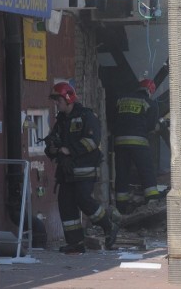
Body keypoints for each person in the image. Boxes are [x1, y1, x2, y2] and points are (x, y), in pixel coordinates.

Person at [44, 82, 118, 254]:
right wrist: (52, 149)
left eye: (58, 99)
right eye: (55, 100)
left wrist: (69, 149)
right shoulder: (61, 121)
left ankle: (109, 225)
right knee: (66, 204)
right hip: (66, 172)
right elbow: (54, 141)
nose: (56, 103)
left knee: (83, 200)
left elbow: (93, 141)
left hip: (84, 170)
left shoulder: (86, 116)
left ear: (68, 98)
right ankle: (75, 242)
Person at [113, 78, 162, 214]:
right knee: (146, 170)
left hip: (120, 142)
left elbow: (114, 118)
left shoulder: (121, 100)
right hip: (138, 142)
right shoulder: (149, 103)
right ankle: (153, 200)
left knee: (122, 173)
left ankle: (121, 206)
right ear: (150, 91)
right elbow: (151, 127)